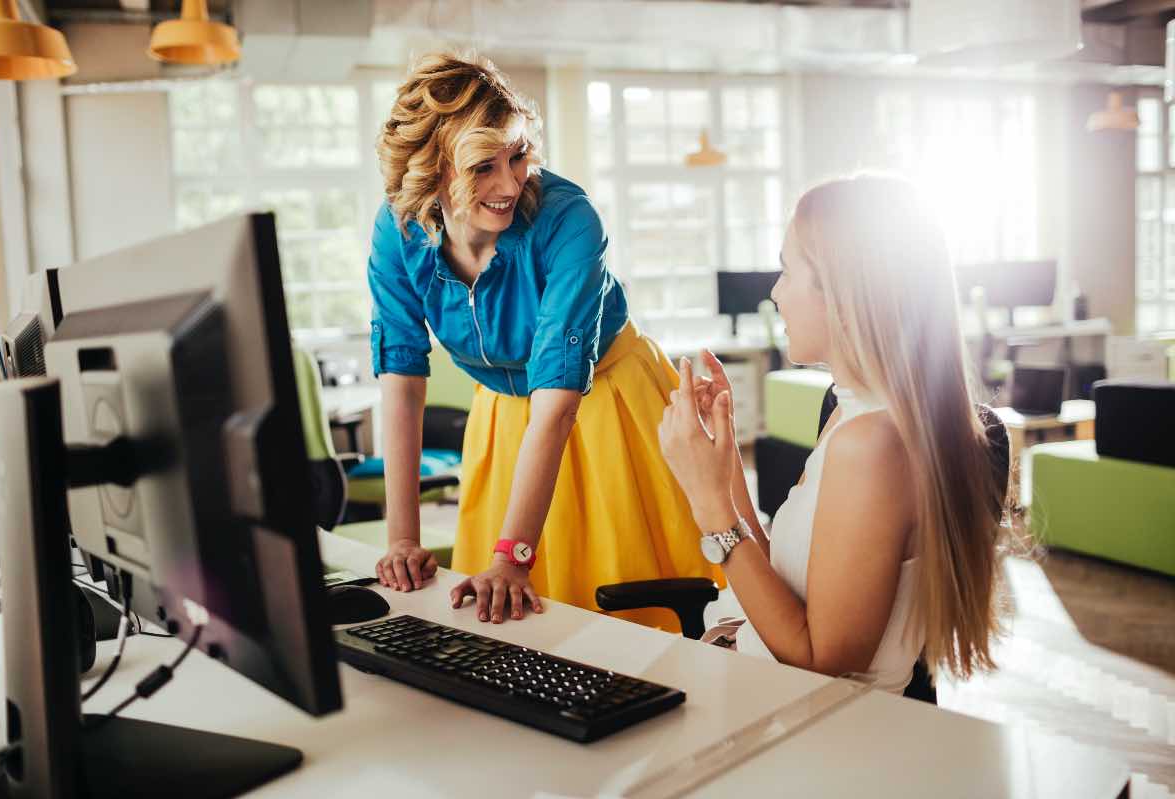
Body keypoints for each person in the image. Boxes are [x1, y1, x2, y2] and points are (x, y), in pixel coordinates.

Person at [367, 53, 722, 629]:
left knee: (620, 612)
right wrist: (402, 540)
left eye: (518, 154)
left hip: (602, 401)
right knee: (505, 618)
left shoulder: (570, 221)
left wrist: (514, 556)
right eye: (484, 166)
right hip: (505, 413)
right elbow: (402, 379)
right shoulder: (398, 228)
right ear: (433, 171)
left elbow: (557, 404)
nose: (510, 183)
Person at [658, 174, 1009, 691]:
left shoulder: (872, 444)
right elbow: (781, 576)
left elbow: (822, 659)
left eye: (787, 271)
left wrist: (708, 505)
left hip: (816, 728)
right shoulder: (852, 413)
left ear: (843, 293)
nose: (775, 292)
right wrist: (724, 450)